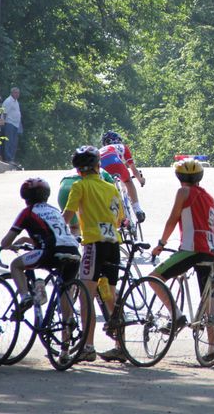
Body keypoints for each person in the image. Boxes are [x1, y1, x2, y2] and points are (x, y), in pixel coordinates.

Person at [0, 176, 81, 358]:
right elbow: (50, 232)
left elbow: (6, 242)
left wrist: (10, 246)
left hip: (51, 251)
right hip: (73, 251)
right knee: (65, 295)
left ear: (25, 196)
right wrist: (30, 240)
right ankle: (65, 350)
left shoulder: (27, 212)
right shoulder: (54, 210)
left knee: (16, 265)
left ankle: (25, 297)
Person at [149, 159, 214, 362]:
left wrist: (161, 243)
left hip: (191, 249)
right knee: (209, 301)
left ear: (179, 177)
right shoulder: (210, 198)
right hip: (211, 251)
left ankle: (177, 316)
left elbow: (173, 218)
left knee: (154, 278)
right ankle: (212, 349)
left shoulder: (183, 192)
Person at [62, 145, 126, 363]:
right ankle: (120, 345)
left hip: (93, 245)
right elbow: (119, 218)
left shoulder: (79, 186)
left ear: (78, 170)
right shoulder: (111, 187)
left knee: (86, 294)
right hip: (113, 244)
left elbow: (67, 215)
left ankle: (87, 346)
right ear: (99, 166)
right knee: (109, 294)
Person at [99, 130, 146, 222]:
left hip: (101, 167)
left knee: (107, 188)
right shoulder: (122, 147)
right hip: (116, 163)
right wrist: (141, 180)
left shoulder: (99, 150)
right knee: (128, 181)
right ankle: (137, 210)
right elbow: (133, 169)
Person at [1, 87, 22, 164]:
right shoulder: (8, 101)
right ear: (12, 93)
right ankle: (8, 158)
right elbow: (4, 112)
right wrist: (3, 122)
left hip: (16, 124)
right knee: (8, 141)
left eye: (18, 93)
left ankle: (12, 158)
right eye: (16, 93)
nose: (17, 94)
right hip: (9, 123)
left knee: (14, 142)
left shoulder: (16, 101)